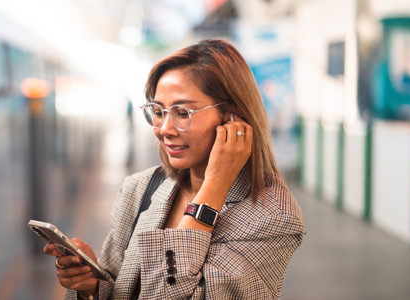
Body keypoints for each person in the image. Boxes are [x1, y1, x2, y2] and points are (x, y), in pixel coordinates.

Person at [44, 39, 305, 300]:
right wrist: (91, 287)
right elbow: (118, 285)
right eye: (158, 111)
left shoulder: (271, 216)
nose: (164, 129)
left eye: (182, 112)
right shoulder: (141, 187)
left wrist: (213, 186)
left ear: (232, 118)